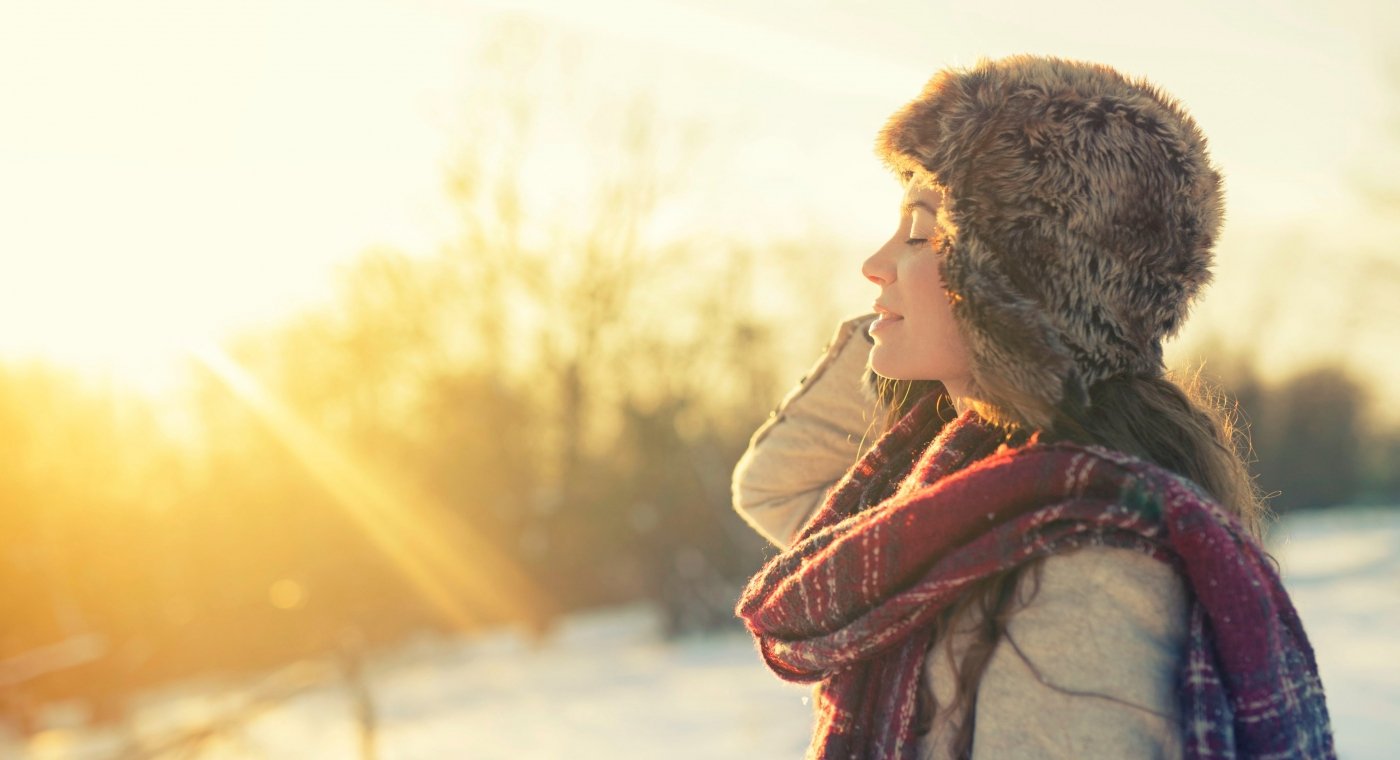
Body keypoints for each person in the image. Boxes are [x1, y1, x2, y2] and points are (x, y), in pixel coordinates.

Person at [732, 55, 1334, 759]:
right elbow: (778, 486)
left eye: (923, 233)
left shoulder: (1086, 573)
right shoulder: (956, 499)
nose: (876, 261)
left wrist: (964, 325)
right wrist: (914, 327)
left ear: (1010, 276)